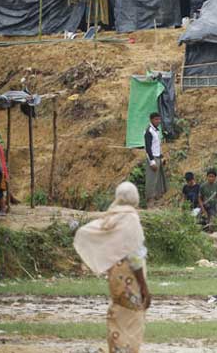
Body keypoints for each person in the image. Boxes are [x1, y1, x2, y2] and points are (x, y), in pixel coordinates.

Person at [73, 182, 151, 353]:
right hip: (131, 278)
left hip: (115, 276)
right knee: (132, 318)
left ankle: (115, 348)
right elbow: (135, 256)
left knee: (118, 314)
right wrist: (144, 286)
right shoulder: (130, 218)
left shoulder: (112, 215)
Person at [143, 112, 166, 201]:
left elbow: (157, 146)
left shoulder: (157, 131)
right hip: (153, 158)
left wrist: (162, 156)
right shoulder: (149, 131)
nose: (158, 121)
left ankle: (157, 200)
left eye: (159, 119)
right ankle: (150, 202)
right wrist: (152, 162)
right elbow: (148, 148)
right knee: (151, 181)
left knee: (158, 181)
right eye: (156, 119)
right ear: (151, 120)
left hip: (158, 157)